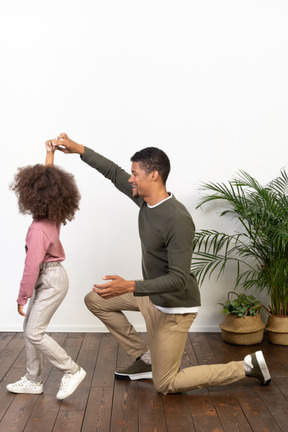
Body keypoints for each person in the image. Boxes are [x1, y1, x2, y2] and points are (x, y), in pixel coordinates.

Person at [53, 132, 271, 394]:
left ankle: (247, 367)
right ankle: (145, 359)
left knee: (166, 384)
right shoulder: (143, 199)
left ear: (154, 175)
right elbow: (112, 171)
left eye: (135, 173)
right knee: (96, 299)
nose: (130, 178)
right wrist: (78, 149)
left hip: (175, 308)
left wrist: (130, 286)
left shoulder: (177, 219)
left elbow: (179, 280)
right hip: (152, 298)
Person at [7, 141, 86, 400]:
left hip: (50, 279)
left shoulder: (39, 229)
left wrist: (22, 297)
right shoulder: (50, 215)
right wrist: (49, 155)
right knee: (30, 327)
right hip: (51, 277)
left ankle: (71, 370)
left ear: (32, 196)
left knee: (34, 331)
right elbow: (49, 182)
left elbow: (31, 268)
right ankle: (33, 380)